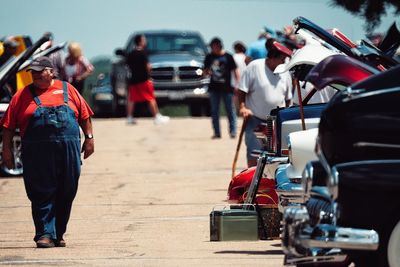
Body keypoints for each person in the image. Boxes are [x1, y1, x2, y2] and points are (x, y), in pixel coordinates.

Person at [0, 56, 95, 248]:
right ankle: (44, 233)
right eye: (32, 71)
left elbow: (84, 116)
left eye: (39, 70)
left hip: (68, 150)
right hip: (37, 152)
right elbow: (8, 127)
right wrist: (7, 151)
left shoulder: (69, 90)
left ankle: (58, 232)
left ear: (51, 72)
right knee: (41, 191)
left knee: (67, 190)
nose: (34, 74)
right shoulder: (21, 96)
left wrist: (90, 138)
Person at [238, 38, 293, 167]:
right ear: (273, 57)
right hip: (256, 119)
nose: (284, 62)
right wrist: (242, 107)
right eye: (282, 59)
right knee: (254, 155)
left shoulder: (285, 72)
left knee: (276, 157)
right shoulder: (255, 67)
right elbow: (241, 90)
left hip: (276, 122)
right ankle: (252, 183)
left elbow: (288, 98)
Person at [125, 34, 169, 125]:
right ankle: (156, 116)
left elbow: (128, 66)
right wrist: (149, 75)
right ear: (140, 42)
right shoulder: (143, 53)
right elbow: (148, 66)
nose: (145, 42)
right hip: (144, 80)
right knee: (150, 98)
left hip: (133, 80)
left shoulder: (131, 54)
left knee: (131, 99)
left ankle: (129, 117)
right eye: (144, 40)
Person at [204, 37, 239, 139]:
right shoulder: (209, 57)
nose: (211, 48)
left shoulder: (228, 57)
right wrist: (207, 72)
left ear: (218, 46)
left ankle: (233, 131)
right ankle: (217, 132)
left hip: (227, 88)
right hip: (214, 88)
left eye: (212, 46)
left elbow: (235, 71)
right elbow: (205, 72)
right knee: (214, 111)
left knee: (230, 110)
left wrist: (237, 84)